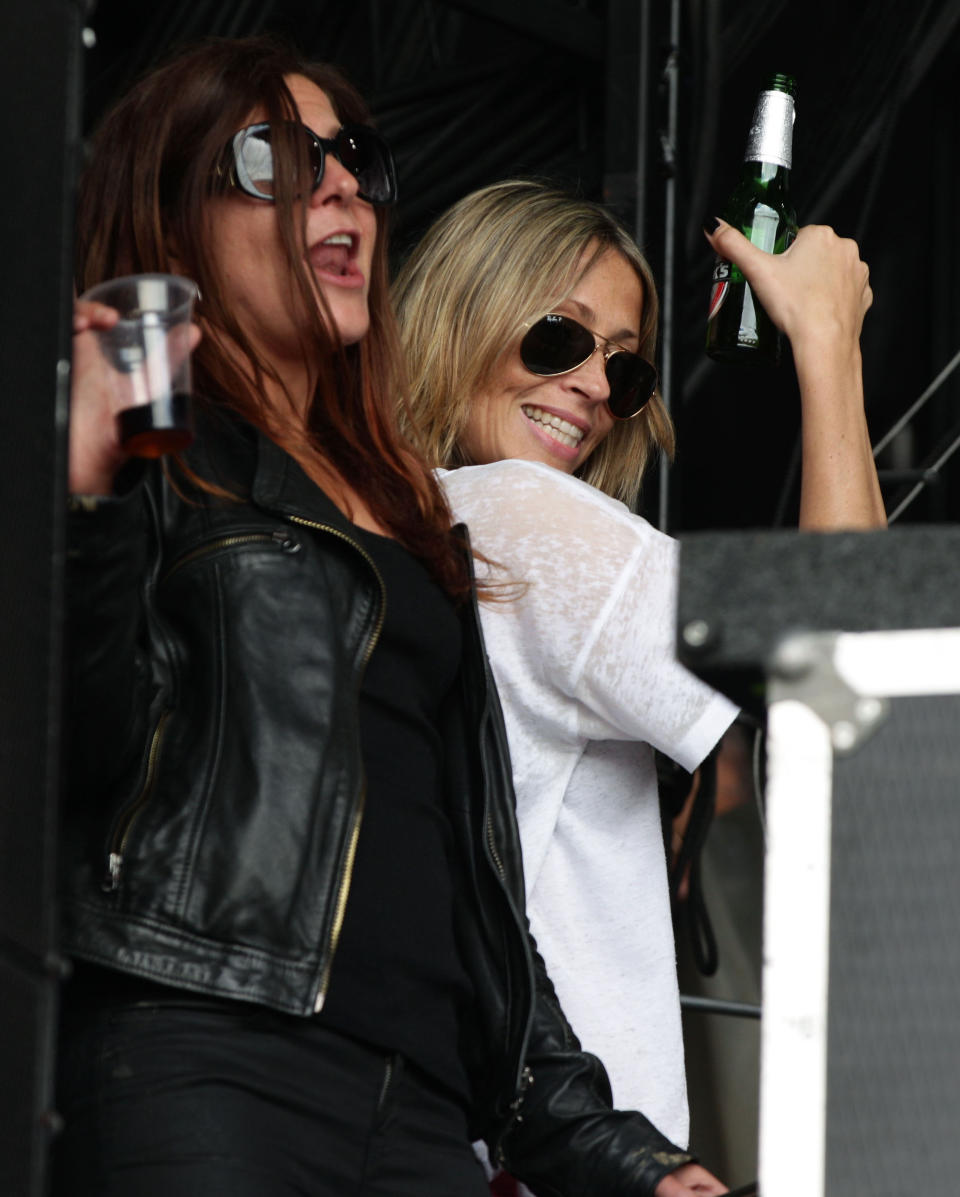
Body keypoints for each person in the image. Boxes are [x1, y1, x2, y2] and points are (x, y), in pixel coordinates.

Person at [57, 36, 728, 1197]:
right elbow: (67, 759)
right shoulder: (170, 460)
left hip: (422, 1113)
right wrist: (84, 495)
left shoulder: (425, 524)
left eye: (354, 159)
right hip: (213, 1063)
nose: (338, 187)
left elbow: (477, 895)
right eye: (275, 158)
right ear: (172, 219)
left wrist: (600, 1146)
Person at [393, 180, 886, 1179]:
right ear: (459, 313)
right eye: (557, 336)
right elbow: (860, 661)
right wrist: (827, 345)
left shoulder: (408, 530)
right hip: (575, 1153)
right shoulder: (529, 519)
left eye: (624, 367)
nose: (589, 384)